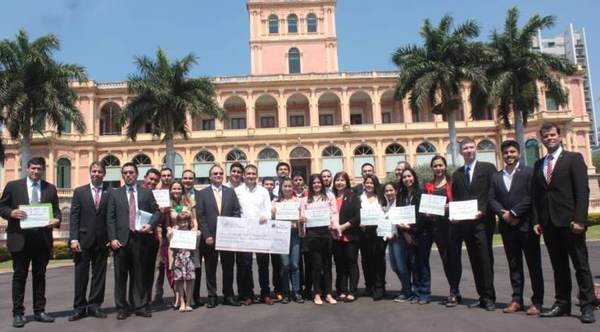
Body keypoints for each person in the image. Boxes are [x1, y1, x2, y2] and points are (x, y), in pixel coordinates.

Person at [531, 123, 596, 324]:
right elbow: (536, 196)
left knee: (581, 265)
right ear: (541, 139)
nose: (549, 138)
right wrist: (536, 220)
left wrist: (580, 220)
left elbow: (582, 192)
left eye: (552, 135)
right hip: (549, 223)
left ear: (559, 136)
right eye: (545, 136)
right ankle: (562, 304)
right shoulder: (538, 164)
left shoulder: (574, 159)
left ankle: (587, 306)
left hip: (570, 223)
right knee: (558, 266)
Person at [0, 157, 61, 328]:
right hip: (20, 239)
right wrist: (11, 213)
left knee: (40, 276)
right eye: (33, 168)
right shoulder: (13, 186)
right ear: (27, 168)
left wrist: (56, 219)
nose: (36, 171)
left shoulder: (50, 188)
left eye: (39, 169)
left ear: (43, 170)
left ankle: (39, 311)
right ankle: (18, 313)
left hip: (42, 240)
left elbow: (56, 211)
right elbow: (1, 207)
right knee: (19, 277)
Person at [488, 140, 543, 315]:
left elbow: (531, 197)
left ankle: (538, 301)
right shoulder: (496, 177)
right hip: (507, 228)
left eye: (512, 152)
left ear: (518, 153)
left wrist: (513, 213)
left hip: (526, 226)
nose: (509, 155)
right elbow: (491, 199)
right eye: (505, 153)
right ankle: (517, 299)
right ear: (501, 155)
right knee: (514, 265)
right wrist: (503, 214)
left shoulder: (529, 172)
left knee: (534, 265)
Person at [107, 162, 161, 319]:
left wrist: (150, 224)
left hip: (140, 239)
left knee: (139, 275)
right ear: (122, 175)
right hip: (121, 241)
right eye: (125, 173)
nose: (128, 175)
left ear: (137, 175)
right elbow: (110, 218)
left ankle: (140, 306)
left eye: (131, 172)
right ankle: (122, 307)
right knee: (121, 276)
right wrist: (112, 238)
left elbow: (157, 212)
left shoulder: (146, 193)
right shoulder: (115, 193)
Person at [448, 138, 496, 310]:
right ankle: (481, 296)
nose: (469, 150)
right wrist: (454, 215)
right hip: (466, 225)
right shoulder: (458, 174)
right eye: (465, 148)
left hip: (483, 223)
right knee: (474, 260)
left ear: (476, 149)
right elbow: (457, 199)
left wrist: (482, 210)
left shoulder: (488, 168)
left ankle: (490, 297)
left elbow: (492, 192)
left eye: (471, 147)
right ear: (461, 152)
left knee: (485, 259)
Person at [68, 161, 111, 321]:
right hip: (82, 241)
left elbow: (111, 217)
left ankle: (94, 306)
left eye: (100, 171)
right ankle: (79, 308)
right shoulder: (80, 192)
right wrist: (73, 238)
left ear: (104, 174)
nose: (96, 174)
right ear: (90, 172)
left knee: (99, 276)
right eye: (94, 171)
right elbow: (74, 216)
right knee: (81, 276)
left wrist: (111, 237)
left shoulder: (110, 192)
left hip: (102, 241)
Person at [196, 164, 243, 308]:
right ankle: (212, 296)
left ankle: (228, 295)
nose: (218, 175)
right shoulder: (202, 193)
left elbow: (236, 211)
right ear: (210, 176)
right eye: (215, 173)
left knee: (228, 267)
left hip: (227, 238)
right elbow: (200, 216)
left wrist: (231, 228)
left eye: (220, 173)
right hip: (210, 238)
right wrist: (206, 235)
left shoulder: (230, 192)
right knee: (210, 268)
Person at [235, 164, 274, 305]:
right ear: (244, 176)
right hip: (244, 232)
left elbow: (268, 208)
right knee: (246, 265)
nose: (250, 176)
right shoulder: (237, 191)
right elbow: (235, 210)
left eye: (253, 174)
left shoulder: (263, 191)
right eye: (248, 174)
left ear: (256, 176)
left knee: (263, 264)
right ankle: (248, 294)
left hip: (261, 231)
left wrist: (266, 216)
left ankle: (265, 293)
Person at [300, 174, 338, 305]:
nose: (317, 185)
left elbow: (334, 213)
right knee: (316, 265)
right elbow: (302, 217)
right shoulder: (305, 200)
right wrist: (302, 220)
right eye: (314, 183)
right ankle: (316, 293)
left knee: (327, 265)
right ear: (311, 185)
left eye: (319, 183)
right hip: (312, 235)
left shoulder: (329, 197)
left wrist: (333, 224)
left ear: (322, 184)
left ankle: (328, 293)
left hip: (326, 233)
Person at [423, 156, 453, 304]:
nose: (438, 168)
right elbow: (425, 205)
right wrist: (427, 211)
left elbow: (458, 202)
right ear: (432, 168)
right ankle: (453, 290)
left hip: (451, 226)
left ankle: (455, 291)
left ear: (445, 166)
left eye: (440, 165)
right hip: (435, 227)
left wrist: (449, 207)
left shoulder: (452, 183)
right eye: (435, 166)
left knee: (452, 259)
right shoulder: (428, 185)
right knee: (444, 259)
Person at [400, 168, 432, 304]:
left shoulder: (422, 192)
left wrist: (411, 227)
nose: (407, 179)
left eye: (409, 176)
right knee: (413, 263)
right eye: (404, 177)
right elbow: (399, 213)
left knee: (422, 263)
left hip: (422, 233)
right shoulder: (401, 196)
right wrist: (404, 228)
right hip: (408, 235)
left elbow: (424, 216)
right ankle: (416, 291)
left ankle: (425, 293)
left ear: (414, 177)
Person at [166, 181, 197, 312]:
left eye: (179, 188)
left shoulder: (190, 202)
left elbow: (195, 220)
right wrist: (169, 230)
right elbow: (167, 223)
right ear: (171, 190)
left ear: (182, 190)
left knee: (190, 275)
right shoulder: (168, 204)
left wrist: (195, 229)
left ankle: (189, 301)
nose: (177, 191)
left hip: (189, 242)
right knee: (178, 275)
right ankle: (181, 301)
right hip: (175, 244)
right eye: (174, 188)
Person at [272, 177, 304, 303]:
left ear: (293, 188)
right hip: (281, 235)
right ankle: (286, 292)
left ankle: (296, 292)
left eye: (290, 186)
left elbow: (303, 218)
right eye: (285, 186)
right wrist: (274, 214)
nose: (287, 188)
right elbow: (272, 220)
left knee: (295, 264)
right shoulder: (276, 201)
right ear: (281, 188)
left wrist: (301, 219)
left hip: (295, 234)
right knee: (285, 265)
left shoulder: (298, 201)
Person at [332, 171, 362, 302]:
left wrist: (343, 227)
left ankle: (352, 290)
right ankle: (342, 290)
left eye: (342, 180)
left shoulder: (353, 196)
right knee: (340, 265)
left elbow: (358, 217)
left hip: (350, 235)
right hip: (335, 237)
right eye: (337, 180)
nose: (339, 182)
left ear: (347, 182)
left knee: (351, 263)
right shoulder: (331, 197)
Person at [384, 181, 414, 303]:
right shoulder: (387, 204)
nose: (389, 192)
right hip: (391, 239)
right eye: (386, 191)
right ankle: (406, 288)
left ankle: (407, 292)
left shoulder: (400, 203)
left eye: (391, 190)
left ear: (396, 191)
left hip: (399, 239)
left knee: (401, 266)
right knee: (394, 266)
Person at [359, 175, 387, 300]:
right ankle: (369, 285)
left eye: (371, 183)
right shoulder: (360, 198)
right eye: (367, 183)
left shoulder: (381, 198)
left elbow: (386, 213)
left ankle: (379, 286)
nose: (369, 185)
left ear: (375, 184)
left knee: (378, 260)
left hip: (378, 232)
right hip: (364, 232)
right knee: (366, 260)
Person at [181, 169, 205, 308]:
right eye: (185, 178)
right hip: (181, 238)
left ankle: (195, 296)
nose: (188, 180)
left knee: (196, 267)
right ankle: (182, 297)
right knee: (181, 267)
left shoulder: (201, 195)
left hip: (197, 237)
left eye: (190, 178)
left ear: (195, 180)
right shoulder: (177, 195)